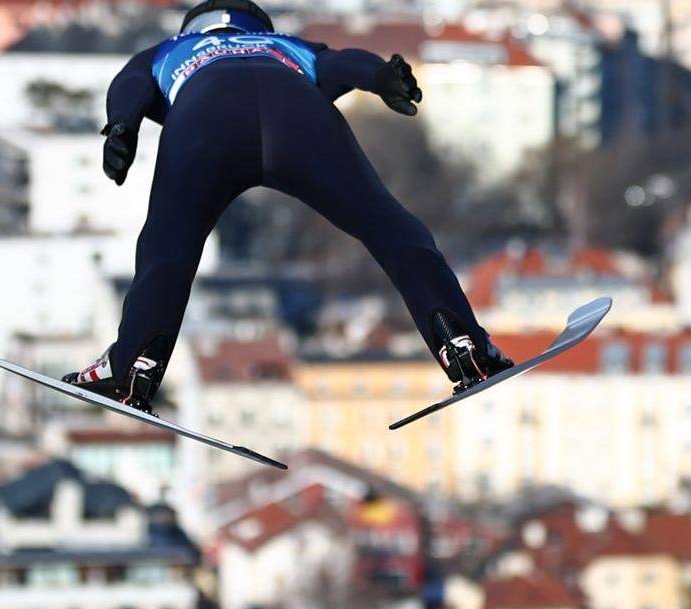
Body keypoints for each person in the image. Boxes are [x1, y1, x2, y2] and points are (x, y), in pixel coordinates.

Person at [62, 0, 512, 413]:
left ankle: (132, 369)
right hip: (298, 115)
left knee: (167, 248)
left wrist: (122, 126)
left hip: (206, 121)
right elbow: (343, 62)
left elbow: (130, 83)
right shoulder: (287, 45)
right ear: (259, 25)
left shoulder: (169, 50)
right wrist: (381, 78)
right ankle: (463, 345)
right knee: (393, 229)